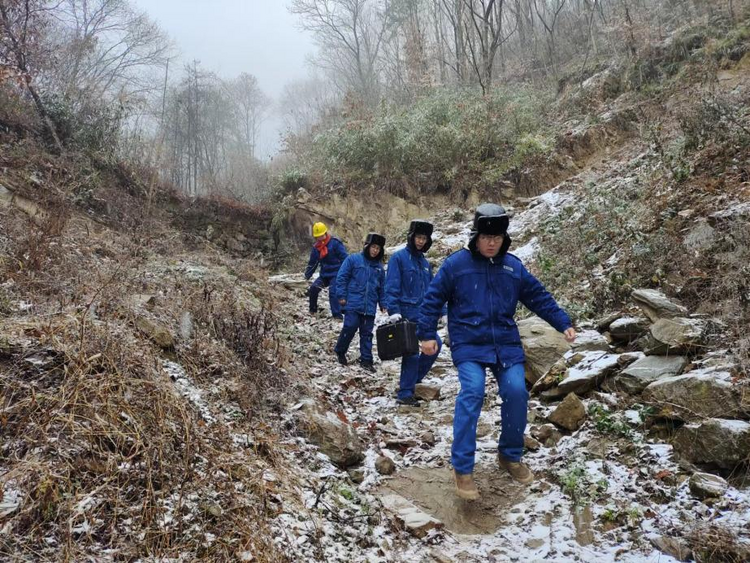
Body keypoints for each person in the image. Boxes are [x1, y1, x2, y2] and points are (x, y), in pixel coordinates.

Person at [417, 203, 576, 500]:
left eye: (498, 237)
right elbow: (432, 299)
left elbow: (538, 296)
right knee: (473, 391)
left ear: (505, 238)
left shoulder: (513, 267)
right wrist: (426, 334)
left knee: (517, 391)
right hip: (469, 342)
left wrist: (562, 322)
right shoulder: (456, 265)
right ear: (476, 236)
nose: (491, 243)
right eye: (486, 237)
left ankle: (510, 455)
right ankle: (462, 467)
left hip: (505, 343)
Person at [385, 220, 442, 407]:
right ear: (411, 237)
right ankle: (405, 393)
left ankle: (412, 380)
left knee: (435, 345)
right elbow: (392, 285)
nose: (421, 241)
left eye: (424, 238)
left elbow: (433, 291)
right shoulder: (398, 258)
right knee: (412, 353)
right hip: (406, 314)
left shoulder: (425, 264)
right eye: (418, 237)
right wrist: (393, 310)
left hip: (424, 316)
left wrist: (443, 311)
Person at [334, 233, 387, 372]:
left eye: (378, 248)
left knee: (367, 333)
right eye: (373, 247)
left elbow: (382, 288)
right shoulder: (353, 259)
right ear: (367, 246)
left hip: (369, 305)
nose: (375, 250)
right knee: (350, 327)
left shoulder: (379, 268)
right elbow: (342, 278)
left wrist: (383, 303)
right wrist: (341, 296)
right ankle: (340, 350)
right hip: (353, 302)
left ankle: (366, 360)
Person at [304, 222, 348, 319]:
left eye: (321, 235)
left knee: (333, 292)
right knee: (314, 288)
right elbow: (313, 263)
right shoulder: (316, 248)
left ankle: (337, 315)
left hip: (337, 273)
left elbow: (345, 258)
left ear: (325, 233)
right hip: (325, 274)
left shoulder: (335, 243)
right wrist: (307, 275)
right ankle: (313, 310)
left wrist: (347, 272)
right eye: (318, 236)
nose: (320, 238)